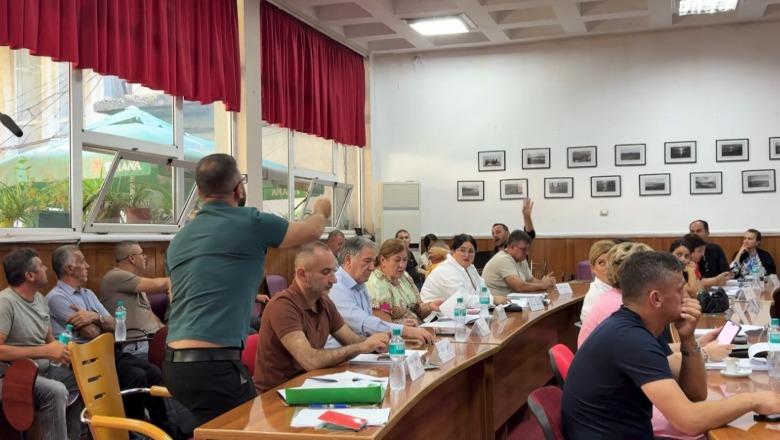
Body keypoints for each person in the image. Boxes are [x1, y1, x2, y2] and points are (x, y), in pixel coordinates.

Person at [163, 153, 331, 424]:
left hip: (175, 366)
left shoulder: (179, 239)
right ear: (239, 188)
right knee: (254, 428)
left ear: (200, 192)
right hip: (215, 366)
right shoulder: (250, 222)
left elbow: (175, 295)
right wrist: (321, 208)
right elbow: (313, 231)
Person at [563, 251, 780, 439]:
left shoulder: (638, 326)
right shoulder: (630, 338)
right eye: (680, 289)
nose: (687, 295)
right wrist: (752, 400)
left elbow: (695, 395)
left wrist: (688, 339)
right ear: (656, 299)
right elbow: (689, 421)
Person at [47, 245, 167, 433]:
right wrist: (100, 322)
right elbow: (92, 334)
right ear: (69, 268)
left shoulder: (88, 294)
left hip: (106, 352)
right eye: (82, 261)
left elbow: (113, 325)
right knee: (135, 375)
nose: (87, 266)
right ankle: (132, 433)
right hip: (85, 360)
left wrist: (94, 316)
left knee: (153, 372)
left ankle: (165, 430)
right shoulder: (56, 298)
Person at [254, 243, 389, 392]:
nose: (334, 280)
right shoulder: (283, 306)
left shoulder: (324, 302)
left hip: (311, 385)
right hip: (277, 394)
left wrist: (377, 344)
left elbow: (352, 340)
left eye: (334, 271)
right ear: (302, 275)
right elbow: (310, 360)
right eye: (326, 272)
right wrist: (361, 347)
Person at [0, 248, 79, 440]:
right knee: (55, 390)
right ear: (30, 275)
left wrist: (67, 353)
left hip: (43, 370)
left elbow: (50, 341)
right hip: (12, 376)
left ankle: (75, 436)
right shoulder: (5, 303)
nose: (46, 268)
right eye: (41, 266)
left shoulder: (40, 300)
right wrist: (45, 351)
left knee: (84, 378)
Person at [328, 237, 434, 345]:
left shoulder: (360, 283)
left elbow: (369, 324)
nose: (372, 267)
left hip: (363, 348)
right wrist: (404, 330)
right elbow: (365, 323)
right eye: (367, 261)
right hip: (343, 352)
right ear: (348, 260)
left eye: (373, 261)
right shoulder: (337, 286)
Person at [99, 241, 168, 358]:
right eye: (142, 254)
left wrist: (165, 331)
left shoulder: (135, 283)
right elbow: (159, 284)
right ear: (132, 258)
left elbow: (148, 313)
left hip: (150, 340)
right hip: (134, 344)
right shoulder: (115, 276)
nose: (145, 257)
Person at [578, 242, 653, 347]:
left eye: (610, 263)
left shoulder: (614, 294)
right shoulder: (615, 303)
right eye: (602, 263)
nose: (608, 268)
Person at [366, 239, 443, 325]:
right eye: (397, 260)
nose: (402, 265)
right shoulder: (375, 282)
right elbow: (383, 325)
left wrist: (430, 306)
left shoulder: (405, 276)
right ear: (383, 260)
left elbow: (418, 310)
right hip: (400, 332)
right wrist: (401, 325)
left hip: (418, 328)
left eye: (405, 260)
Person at [420, 234, 504, 308]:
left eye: (471, 251)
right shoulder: (445, 270)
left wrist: (490, 299)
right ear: (453, 252)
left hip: (461, 313)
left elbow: (484, 290)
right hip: (434, 316)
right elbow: (461, 299)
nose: (467, 255)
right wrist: (492, 299)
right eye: (462, 250)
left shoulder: (470, 268)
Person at [482, 230, 555, 298]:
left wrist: (546, 282)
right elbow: (519, 286)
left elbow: (531, 280)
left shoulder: (521, 259)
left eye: (528, 249)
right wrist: (542, 285)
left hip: (512, 302)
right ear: (511, 247)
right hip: (494, 304)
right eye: (524, 249)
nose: (527, 253)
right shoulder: (503, 259)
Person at [580, 240, 614, 321]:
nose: (608, 267)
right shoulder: (596, 294)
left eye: (612, 261)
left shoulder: (617, 286)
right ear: (592, 268)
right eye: (602, 263)